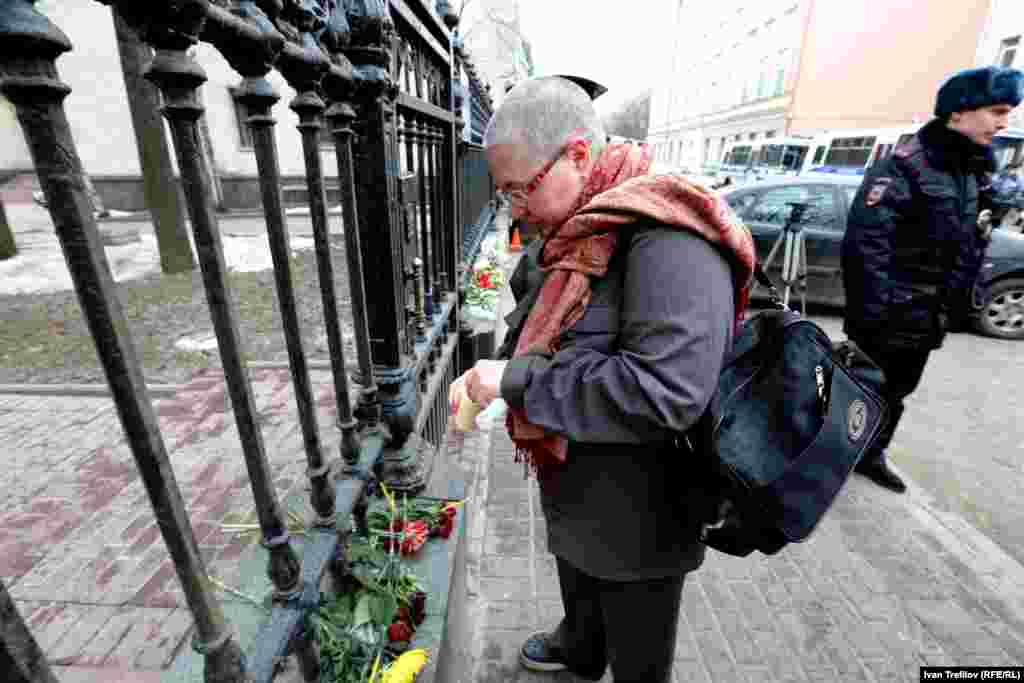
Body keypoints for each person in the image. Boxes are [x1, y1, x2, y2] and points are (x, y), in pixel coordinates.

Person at [449, 76, 755, 682]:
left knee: (638, 649)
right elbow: (548, 325)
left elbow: (663, 392)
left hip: (642, 510)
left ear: (579, 156)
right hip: (579, 475)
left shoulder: (670, 235)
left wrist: (518, 381)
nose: (514, 209)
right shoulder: (581, 224)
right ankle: (581, 646)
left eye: (519, 190)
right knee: (578, 571)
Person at [842, 65, 1023, 493]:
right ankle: (823, 458)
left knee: (897, 393)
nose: (1004, 122)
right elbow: (867, 247)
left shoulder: (972, 172)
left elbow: (971, 243)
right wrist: (873, 317)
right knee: (858, 391)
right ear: (958, 113)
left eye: (1008, 112)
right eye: (996, 111)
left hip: (929, 316)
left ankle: (870, 454)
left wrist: (960, 301)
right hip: (888, 316)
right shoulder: (904, 166)